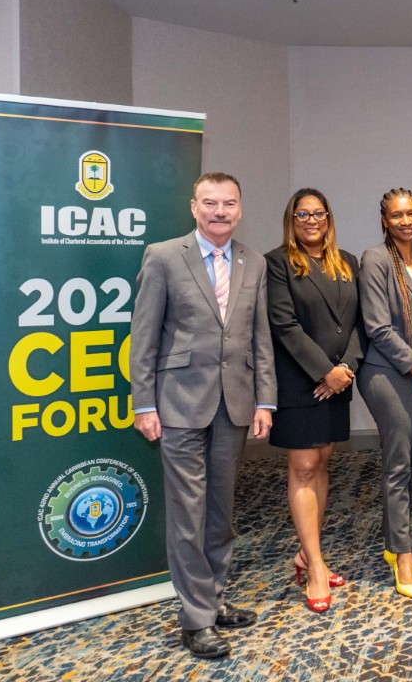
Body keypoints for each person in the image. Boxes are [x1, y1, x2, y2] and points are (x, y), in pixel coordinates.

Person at [130, 172, 276, 660]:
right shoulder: (163, 256)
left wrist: (265, 400)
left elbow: (260, 338)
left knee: (220, 510)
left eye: (228, 203)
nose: (219, 212)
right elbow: (144, 335)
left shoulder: (254, 261)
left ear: (240, 209)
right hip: (177, 404)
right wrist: (144, 403)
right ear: (194, 207)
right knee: (188, 514)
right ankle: (195, 619)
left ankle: (213, 599)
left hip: (234, 404)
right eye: (210, 203)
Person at [265, 188, 362, 614]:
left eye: (318, 213)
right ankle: (316, 567)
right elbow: (284, 325)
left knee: (322, 463)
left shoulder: (348, 262)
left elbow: (359, 323)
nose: (311, 220)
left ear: (328, 217)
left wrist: (345, 370)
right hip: (300, 382)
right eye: (302, 214)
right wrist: (324, 371)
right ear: (292, 219)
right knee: (303, 466)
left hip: (339, 381)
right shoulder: (278, 263)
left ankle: (308, 554)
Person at [357, 188, 412, 600]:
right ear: (385, 220)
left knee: (410, 463)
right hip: (388, 374)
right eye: (397, 215)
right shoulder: (376, 260)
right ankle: (403, 558)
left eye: (411, 213)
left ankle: (397, 545)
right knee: (398, 466)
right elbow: (378, 327)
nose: (406, 221)